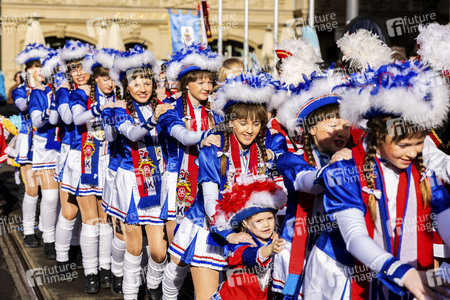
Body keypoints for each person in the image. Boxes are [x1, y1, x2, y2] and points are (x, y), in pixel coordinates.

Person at [302, 61, 450, 299]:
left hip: (407, 276)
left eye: (419, 143)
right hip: (345, 276)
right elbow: (354, 238)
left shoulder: (423, 171)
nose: (413, 153)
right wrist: (405, 273)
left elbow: (446, 218)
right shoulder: (345, 171)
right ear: (378, 139)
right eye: (403, 145)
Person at [107, 45, 216, 300]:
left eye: (147, 82)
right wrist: (153, 120)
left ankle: (155, 286)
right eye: (136, 83)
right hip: (131, 182)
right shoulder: (119, 109)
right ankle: (131, 293)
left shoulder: (166, 106)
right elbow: (133, 134)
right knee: (134, 248)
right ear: (126, 85)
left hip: (158, 182)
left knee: (158, 252)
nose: (143, 88)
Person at [164, 72, 277, 300]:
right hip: (210, 230)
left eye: (256, 124)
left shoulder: (263, 153)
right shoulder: (213, 151)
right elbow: (210, 202)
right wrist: (228, 234)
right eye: (243, 123)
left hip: (244, 234)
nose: (249, 130)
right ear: (231, 121)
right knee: (182, 280)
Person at [210, 179, 287, 300]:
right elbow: (249, 256)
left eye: (270, 218)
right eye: (259, 221)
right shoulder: (239, 242)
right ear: (245, 224)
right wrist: (270, 249)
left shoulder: (276, 239)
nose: (266, 225)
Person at [13, 43, 50, 248]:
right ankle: (28, 230)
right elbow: (22, 106)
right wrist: (35, 91)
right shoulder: (21, 91)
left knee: (49, 191)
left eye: (40, 66)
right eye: (32, 67)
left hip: (47, 145)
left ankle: (45, 229)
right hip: (28, 143)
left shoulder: (51, 90)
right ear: (26, 70)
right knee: (32, 189)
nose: (36, 70)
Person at [28, 49, 61, 259]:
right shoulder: (39, 93)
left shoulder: (71, 92)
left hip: (69, 147)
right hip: (47, 147)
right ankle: (48, 238)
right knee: (50, 197)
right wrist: (50, 110)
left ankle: (63, 238)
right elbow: (36, 122)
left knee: (67, 200)